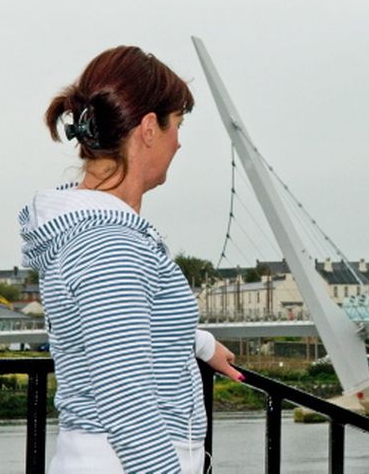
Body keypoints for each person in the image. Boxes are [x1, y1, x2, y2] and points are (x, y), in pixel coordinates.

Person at [20, 46, 243, 473]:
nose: (179, 141)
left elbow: (116, 328)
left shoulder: (88, 232)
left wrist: (199, 343)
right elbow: (127, 402)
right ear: (148, 128)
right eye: (176, 123)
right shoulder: (109, 245)